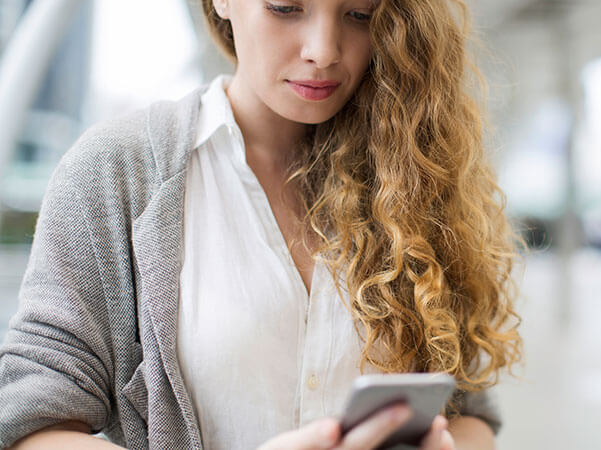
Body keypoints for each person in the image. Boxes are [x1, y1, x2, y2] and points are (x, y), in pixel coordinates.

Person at [0, 0, 522, 449]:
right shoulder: (119, 172)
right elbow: (30, 419)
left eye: (358, 14)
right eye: (285, 6)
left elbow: (469, 408)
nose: (324, 50)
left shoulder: (410, 177)